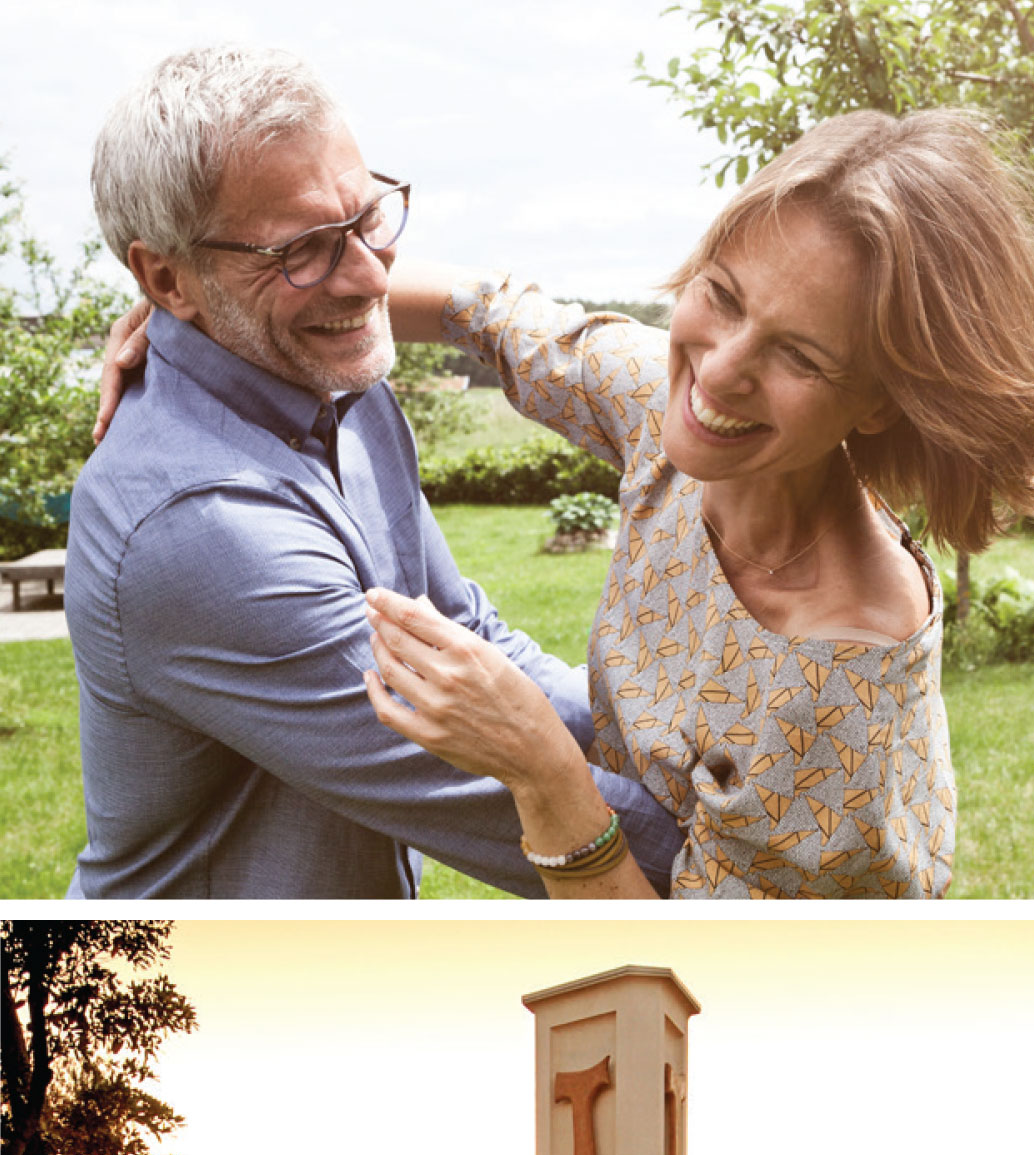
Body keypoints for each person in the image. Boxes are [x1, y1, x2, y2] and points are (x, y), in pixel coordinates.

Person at [364, 110, 1034, 897]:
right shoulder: (662, 404)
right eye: (725, 296)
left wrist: (538, 766)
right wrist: (278, 297)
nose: (722, 369)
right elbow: (484, 311)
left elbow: (688, 991)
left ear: (879, 404)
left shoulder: (837, 683)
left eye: (800, 356)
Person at [66, 45, 679, 900]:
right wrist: (760, 867)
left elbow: (470, 644)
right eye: (301, 251)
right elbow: (487, 779)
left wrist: (677, 746)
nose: (367, 275)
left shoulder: (335, 389)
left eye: (366, 218)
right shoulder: (198, 529)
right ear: (166, 277)